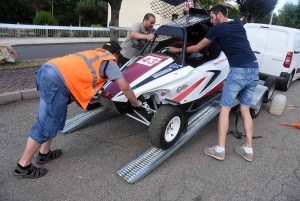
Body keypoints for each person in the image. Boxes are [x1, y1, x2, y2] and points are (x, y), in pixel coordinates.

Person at [13, 41, 142, 178]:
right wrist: (136, 102)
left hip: (47, 70)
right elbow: (125, 87)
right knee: (47, 123)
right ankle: (23, 166)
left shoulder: (93, 54)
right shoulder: (109, 61)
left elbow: (79, 80)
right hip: (55, 80)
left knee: (52, 117)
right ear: (116, 54)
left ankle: (44, 153)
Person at [168, 5, 258, 162]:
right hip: (254, 69)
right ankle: (248, 150)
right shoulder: (238, 24)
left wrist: (177, 50)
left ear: (220, 15)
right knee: (245, 109)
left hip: (238, 71)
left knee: (225, 109)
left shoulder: (217, 30)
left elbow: (197, 47)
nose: (210, 20)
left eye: (212, 17)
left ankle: (220, 150)